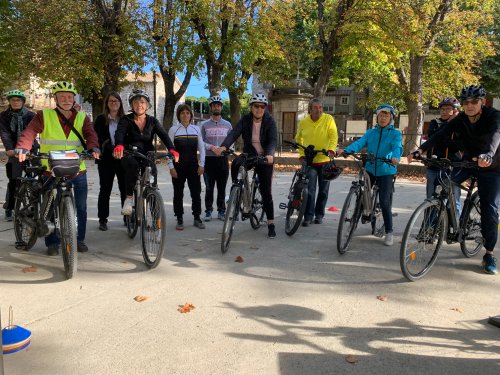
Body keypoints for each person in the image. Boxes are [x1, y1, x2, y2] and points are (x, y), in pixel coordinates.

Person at [409, 85, 500, 275]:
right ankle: (448, 223)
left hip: (491, 166)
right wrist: (421, 149)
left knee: (490, 209)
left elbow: (495, 136)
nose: (469, 105)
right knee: (446, 183)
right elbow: (440, 134)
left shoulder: (493, 116)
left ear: (482, 102)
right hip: (468, 162)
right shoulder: (460, 119)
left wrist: (489, 154)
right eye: (466, 102)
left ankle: (489, 253)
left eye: (474, 101)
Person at [16, 81, 100, 255]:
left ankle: (79, 239)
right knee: (51, 206)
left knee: (81, 207)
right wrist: (24, 146)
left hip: (77, 169)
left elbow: (90, 134)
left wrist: (94, 148)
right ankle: (52, 242)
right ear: (56, 99)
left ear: (74, 98)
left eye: (69, 96)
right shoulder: (44, 115)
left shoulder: (82, 117)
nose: (66, 99)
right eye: (62, 96)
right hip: (50, 168)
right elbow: (30, 132)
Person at [339, 104, 403, 246]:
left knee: (385, 201)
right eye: (381, 115)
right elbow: (360, 143)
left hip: (386, 169)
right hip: (370, 167)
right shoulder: (371, 132)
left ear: (391, 118)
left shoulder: (395, 133)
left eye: (386, 115)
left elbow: (397, 147)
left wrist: (395, 157)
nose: (383, 118)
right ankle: (353, 223)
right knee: (361, 196)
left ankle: (389, 231)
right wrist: (347, 150)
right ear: (377, 117)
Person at [216, 93, 278, 239]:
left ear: (265, 108)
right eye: (256, 106)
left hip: (264, 157)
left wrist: (269, 155)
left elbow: (273, 140)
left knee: (266, 191)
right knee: (236, 163)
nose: (259, 109)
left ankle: (270, 223)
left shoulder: (270, 121)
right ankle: (236, 190)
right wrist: (224, 146)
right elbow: (233, 133)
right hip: (249, 154)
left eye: (262, 107)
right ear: (251, 107)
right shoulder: (245, 120)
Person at [113, 89, 178, 218]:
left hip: (147, 154)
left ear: (147, 105)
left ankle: (155, 216)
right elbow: (119, 133)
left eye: (142, 102)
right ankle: (129, 198)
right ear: (131, 105)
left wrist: (172, 149)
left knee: (152, 175)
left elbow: (164, 135)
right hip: (130, 153)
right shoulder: (126, 120)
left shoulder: (152, 121)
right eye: (136, 102)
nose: (139, 105)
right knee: (132, 166)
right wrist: (119, 145)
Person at [295, 98, 338, 226]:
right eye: (315, 107)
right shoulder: (304, 122)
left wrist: (331, 149)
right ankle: (308, 216)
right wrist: (302, 155)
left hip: (325, 161)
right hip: (310, 161)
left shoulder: (328, 119)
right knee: (310, 189)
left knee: (323, 190)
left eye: (320, 107)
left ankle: (319, 215)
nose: (318, 110)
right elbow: (299, 139)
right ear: (310, 109)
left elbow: (333, 135)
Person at [168, 104, 206, 230]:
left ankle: (197, 217)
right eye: (182, 113)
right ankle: (179, 218)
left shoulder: (196, 129)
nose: (185, 115)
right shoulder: (173, 130)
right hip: (178, 166)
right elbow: (169, 150)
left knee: (196, 193)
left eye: (188, 113)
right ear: (179, 115)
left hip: (194, 166)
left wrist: (202, 164)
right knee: (178, 193)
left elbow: (201, 148)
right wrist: (171, 167)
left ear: (191, 115)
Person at [0, 90, 36, 221]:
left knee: (35, 180)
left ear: (23, 102)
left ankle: (33, 207)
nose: (16, 102)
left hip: (30, 149)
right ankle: (10, 207)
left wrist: (27, 148)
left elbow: (32, 132)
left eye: (18, 100)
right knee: (14, 180)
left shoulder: (31, 115)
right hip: (14, 151)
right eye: (13, 100)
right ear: (9, 102)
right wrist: (9, 148)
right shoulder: (3, 116)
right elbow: (4, 133)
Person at [93, 92, 126, 231]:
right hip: (106, 159)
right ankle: (102, 219)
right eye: (111, 101)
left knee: (125, 189)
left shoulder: (125, 119)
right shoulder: (101, 119)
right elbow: (97, 137)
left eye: (116, 100)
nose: (114, 103)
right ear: (107, 103)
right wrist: (107, 147)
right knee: (105, 189)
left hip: (123, 159)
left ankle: (127, 217)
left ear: (120, 103)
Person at [201, 95, 232, 222]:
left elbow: (232, 142)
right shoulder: (203, 125)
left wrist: (224, 148)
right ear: (211, 107)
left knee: (222, 187)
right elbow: (200, 142)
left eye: (218, 105)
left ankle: (221, 211)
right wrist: (212, 147)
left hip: (223, 160)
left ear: (221, 107)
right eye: (214, 105)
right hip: (209, 160)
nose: (216, 107)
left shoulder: (228, 125)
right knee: (209, 188)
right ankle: (208, 211)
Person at [423, 97, 461, 199]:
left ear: (455, 111)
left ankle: (455, 215)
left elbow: (457, 145)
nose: (444, 112)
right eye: (442, 109)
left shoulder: (460, 126)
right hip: (434, 165)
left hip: (451, 167)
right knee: (431, 198)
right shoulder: (434, 123)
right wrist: (448, 124)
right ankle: (431, 215)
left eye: (448, 109)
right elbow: (433, 137)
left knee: (453, 199)